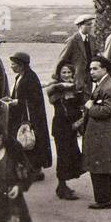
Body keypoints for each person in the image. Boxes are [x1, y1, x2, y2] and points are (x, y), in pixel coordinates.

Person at [82, 55, 111, 209]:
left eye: (95, 69)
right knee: (107, 165)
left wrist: (90, 107)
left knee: (98, 166)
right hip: (103, 132)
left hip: (101, 134)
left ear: (104, 69)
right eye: (90, 69)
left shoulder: (108, 87)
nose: (92, 72)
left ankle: (103, 200)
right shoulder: (106, 84)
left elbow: (109, 110)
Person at [5, 51, 53, 176]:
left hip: (29, 117)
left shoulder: (29, 78)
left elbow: (32, 99)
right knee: (26, 141)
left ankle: (34, 170)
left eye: (14, 64)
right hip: (22, 115)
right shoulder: (22, 76)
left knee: (30, 141)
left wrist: (15, 102)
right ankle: (30, 169)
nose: (11, 66)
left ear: (21, 65)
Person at [45, 64, 85, 200]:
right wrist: (61, 87)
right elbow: (50, 96)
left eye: (69, 72)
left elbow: (80, 105)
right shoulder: (56, 87)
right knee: (63, 157)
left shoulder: (76, 87)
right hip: (61, 127)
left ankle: (62, 186)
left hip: (72, 127)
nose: (66, 75)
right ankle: (62, 187)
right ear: (59, 74)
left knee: (72, 155)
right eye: (63, 72)